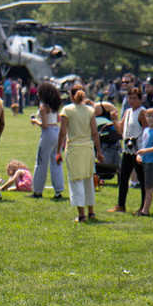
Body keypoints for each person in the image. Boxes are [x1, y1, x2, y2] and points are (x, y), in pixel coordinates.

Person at [57, 84, 103, 222]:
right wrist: (99, 151)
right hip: (88, 148)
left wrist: (58, 150)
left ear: (71, 95)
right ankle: (91, 212)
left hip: (74, 149)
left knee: (76, 181)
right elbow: (95, 133)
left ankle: (81, 214)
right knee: (88, 180)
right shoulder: (90, 110)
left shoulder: (67, 110)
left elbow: (63, 132)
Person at [108, 87, 147, 213]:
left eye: (134, 98)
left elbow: (147, 132)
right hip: (127, 150)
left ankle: (143, 207)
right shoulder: (128, 112)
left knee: (142, 179)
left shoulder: (142, 112)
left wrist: (144, 149)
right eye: (130, 98)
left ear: (140, 100)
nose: (131, 101)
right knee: (123, 178)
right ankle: (121, 205)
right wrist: (114, 120)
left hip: (139, 150)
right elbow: (120, 130)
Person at [29, 82, 64, 199]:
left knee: (40, 162)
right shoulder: (55, 105)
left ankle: (37, 190)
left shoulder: (43, 106)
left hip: (48, 133)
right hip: (56, 131)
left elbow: (44, 125)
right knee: (56, 162)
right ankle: (59, 190)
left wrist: (35, 121)